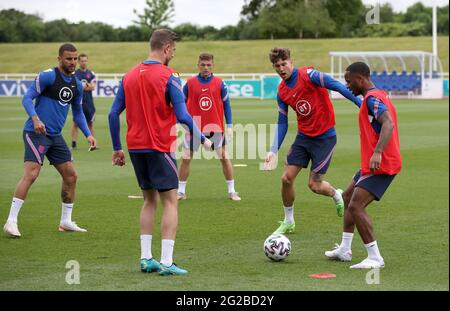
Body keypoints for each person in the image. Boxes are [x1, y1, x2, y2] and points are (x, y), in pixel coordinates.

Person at [108, 29, 212, 276]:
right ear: (166, 49)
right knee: (170, 201)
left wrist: (116, 148)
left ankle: (146, 258)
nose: (173, 55)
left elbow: (113, 114)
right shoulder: (170, 76)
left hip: (135, 147)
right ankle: (166, 261)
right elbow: (184, 115)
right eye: (173, 50)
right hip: (159, 147)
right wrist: (204, 140)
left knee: (148, 200)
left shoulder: (129, 75)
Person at [264, 47, 361, 235]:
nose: (281, 68)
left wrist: (360, 103)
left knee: (314, 185)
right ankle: (289, 221)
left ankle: (336, 194)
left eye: (284, 64)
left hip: (324, 138)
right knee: (286, 178)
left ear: (291, 62)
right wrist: (273, 150)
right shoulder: (282, 91)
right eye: (277, 66)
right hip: (304, 137)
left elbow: (337, 86)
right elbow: (282, 122)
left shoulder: (309, 75)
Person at [3, 43, 97, 238]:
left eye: (75, 58)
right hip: (35, 132)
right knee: (32, 174)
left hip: (55, 136)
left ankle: (66, 221)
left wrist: (88, 134)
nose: (72, 62)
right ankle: (11, 222)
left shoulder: (77, 84)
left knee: (71, 176)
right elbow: (27, 98)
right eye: (68, 58)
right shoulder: (48, 76)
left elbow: (78, 112)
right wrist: (35, 118)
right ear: (59, 59)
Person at [325, 62, 401, 269]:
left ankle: (375, 257)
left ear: (361, 79)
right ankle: (345, 249)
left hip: (381, 163)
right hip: (371, 163)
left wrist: (377, 152)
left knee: (355, 205)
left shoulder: (372, 99)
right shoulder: (377, 94)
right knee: (348, 196)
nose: (347, 86)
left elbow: (388, 123)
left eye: (349, 81)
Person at [177, 53, 241, 201]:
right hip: (194, 128)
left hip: (215, 127)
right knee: (186, 158)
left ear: (213, 66)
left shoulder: (220, 83)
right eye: (203, 65)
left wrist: (229, 125)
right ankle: (181, 192)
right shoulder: (190, 83)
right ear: (198, 65)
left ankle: (232, 191)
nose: (206, 68)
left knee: (224, 157)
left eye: (209, 65)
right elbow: (180, 104)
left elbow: (227, 105)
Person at [71, 53, 97, 150]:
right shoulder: (75, 73)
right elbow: (75, 87)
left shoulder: (91, 73)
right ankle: (74, 143)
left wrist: (83, 86)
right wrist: (86, 85)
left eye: (85, 60)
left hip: (89, 103)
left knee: (90, 123)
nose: (84, 63)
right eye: (82, 61)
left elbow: (93, 87)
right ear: (78, 62)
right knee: (75, 123)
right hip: (79, 102)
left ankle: (93, 143)